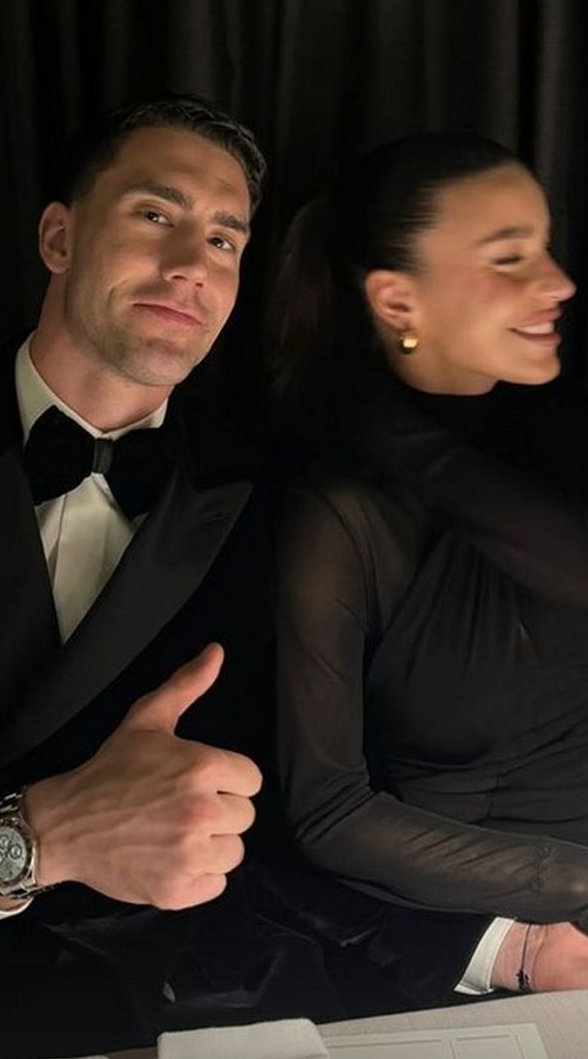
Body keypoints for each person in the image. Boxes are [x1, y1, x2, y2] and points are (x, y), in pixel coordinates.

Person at [269, 131, 588, 1008]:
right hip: (507, 953)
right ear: (397, 300)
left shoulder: (558, 445)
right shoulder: (341, 512)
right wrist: (564, 896)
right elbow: (328, 811)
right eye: (508, 258)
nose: (558, 282)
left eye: (545, 247)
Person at [0, 92, 281, 1058]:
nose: (192, 262)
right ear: (59, 237)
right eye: (156, 214)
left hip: (160, 1018)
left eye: (225, 239)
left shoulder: (279, 502)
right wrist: (43, 838)